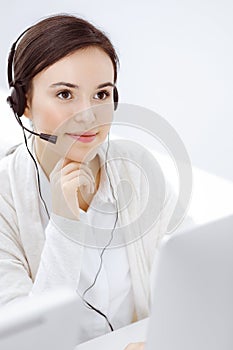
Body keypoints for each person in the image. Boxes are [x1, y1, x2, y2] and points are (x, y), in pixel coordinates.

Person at [0, 14, 176, 348]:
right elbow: (25, 341)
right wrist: (66, 224)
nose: (88, 115)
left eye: (101, 94)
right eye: (65, 94)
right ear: (23, 104)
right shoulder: (5, 196)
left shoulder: (137, 168)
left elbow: (187, 267)